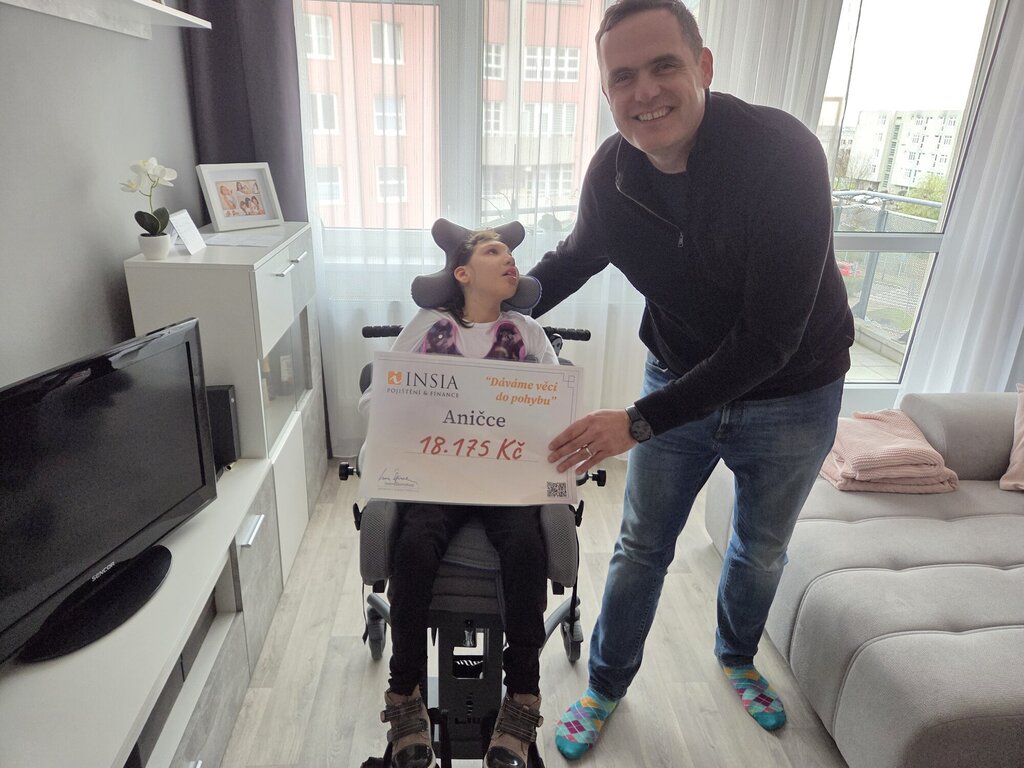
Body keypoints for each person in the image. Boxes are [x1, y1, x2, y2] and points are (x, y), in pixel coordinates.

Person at [524, 0, 855, 758]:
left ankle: (736, 657)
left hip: (795, 391)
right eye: (622, 77)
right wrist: (490, 308)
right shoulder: (612, 174)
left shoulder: (783, 156)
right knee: (641, 545)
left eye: (664, 66)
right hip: (678, 370)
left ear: (703, 66)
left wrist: (637, 421)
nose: (644, 92)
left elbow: (769, 340)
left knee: (760, 547)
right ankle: (605, 685)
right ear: (606, 91)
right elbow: (575, 258)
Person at [359, 219, 559, 768]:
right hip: (438, 474)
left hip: (504, 476)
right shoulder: (429, 327)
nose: (510, 259)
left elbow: (555, 408)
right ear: (463, 273)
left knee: (526, 549)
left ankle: (522, 699)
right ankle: (405, 694)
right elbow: (378, 397)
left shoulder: (528, 334)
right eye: (494, 251)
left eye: (511, 254)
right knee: (414, 546)